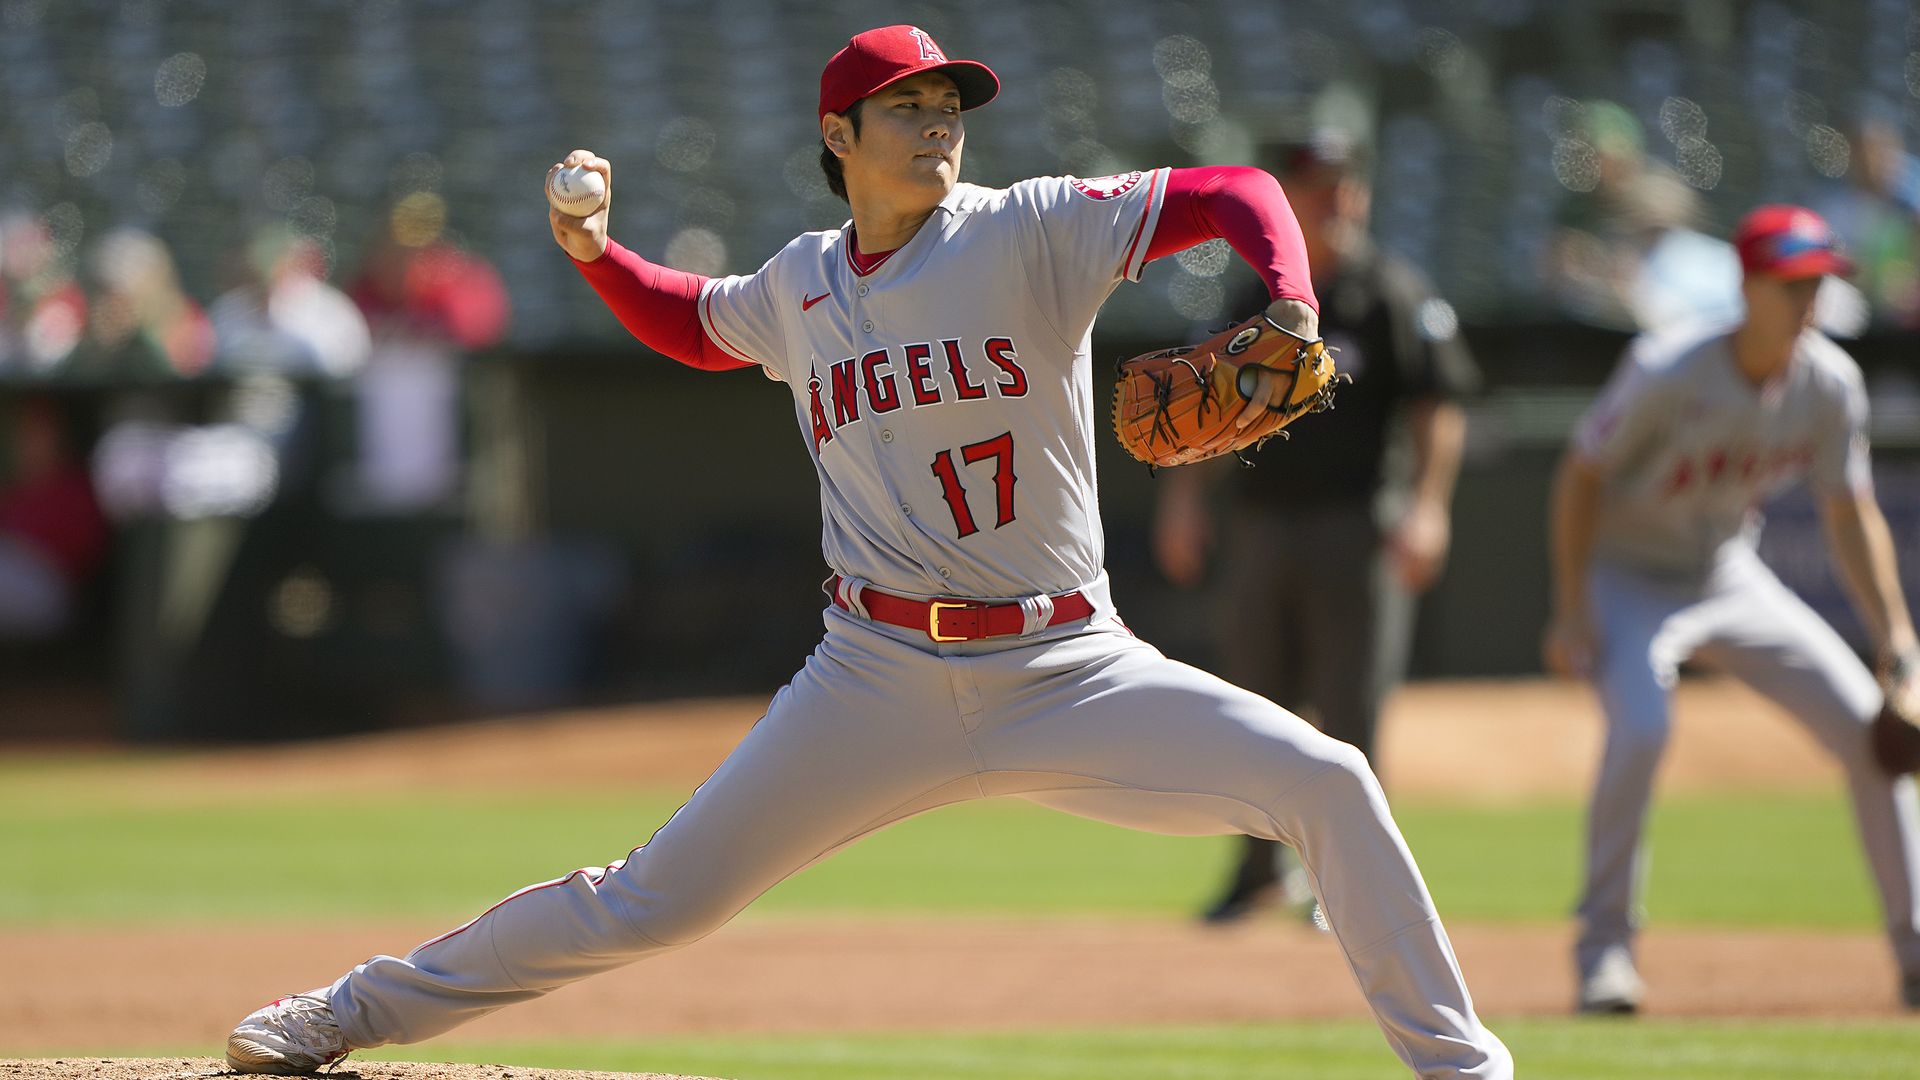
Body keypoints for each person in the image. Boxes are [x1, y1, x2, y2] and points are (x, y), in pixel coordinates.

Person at [225, 27, 1511, 1078]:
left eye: (950, 105)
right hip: (874, 675)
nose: (940, 123)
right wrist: (596, 255)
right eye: (907, 107)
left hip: (1069, 664)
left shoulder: (1031, 227)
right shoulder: (800, 284)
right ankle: (345, 1012)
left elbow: (1241, 193)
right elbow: (692, 325)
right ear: (839, 136)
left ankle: (1465, 1071)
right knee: (650, 900)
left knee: (1329, 779)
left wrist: (1290, 299)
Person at [1542, 204, 1920, 1015]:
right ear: (1748, 286)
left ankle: (1917, 952)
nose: (1809, 299)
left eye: (1818, 282)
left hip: (1725, 573)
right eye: (1792, 283)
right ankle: (1604, 957)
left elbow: (1850, 513)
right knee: (1642, 728)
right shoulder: (1668, 367)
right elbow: (1581, 474)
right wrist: (1572, 608)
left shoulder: (1829, 381)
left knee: (1871, 733)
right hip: (1629, 576)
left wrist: (1895, 634)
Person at [1154, 132, 1479, 925]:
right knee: (1252, 707)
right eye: (1319, 186)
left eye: (1346, 184)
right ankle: (1256, 870)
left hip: (1356, 526)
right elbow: (1208, 406)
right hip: (1263, 525)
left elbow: (1437, 406)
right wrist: (1185, 501)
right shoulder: (1255, 295)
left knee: (1351, 705)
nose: (1337, 199)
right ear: (1290, 200)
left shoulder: (1388, 291)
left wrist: (1428, 506)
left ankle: (1353, 883)